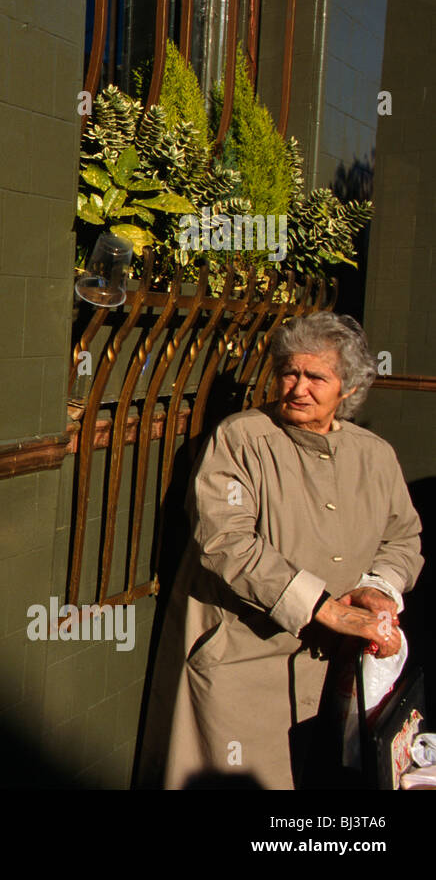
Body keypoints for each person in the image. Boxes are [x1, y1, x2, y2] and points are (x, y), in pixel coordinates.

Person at [139, 312, 423, 789]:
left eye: (316, 377)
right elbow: (225, 542)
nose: (298, 388)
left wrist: (379, 588)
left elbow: (403, 538)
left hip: (336, 668)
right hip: (243, 662)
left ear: (348, 389)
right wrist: (321, 608)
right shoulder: (240, 438)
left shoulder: (374, 455)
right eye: (290, 372)